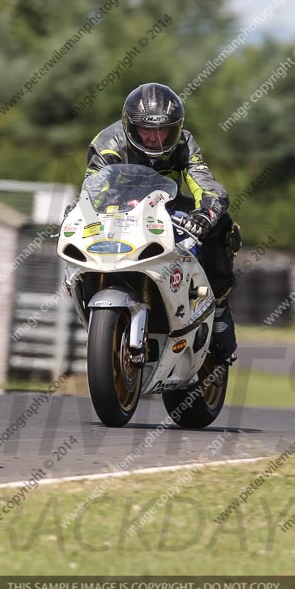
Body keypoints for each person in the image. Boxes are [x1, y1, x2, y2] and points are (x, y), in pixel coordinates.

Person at [80, 82, 238, 373]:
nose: (154, 138)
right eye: (146, 130)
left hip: (166, 209)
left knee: (224, 225)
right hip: (118, 211)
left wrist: (206, 213)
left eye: (163, 130)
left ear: (175, 128)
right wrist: (83, 212)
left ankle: (219, 308)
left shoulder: (184, 143)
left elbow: (206, 184)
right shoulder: (107, 143)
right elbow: (93, 190)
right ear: (130, 127)